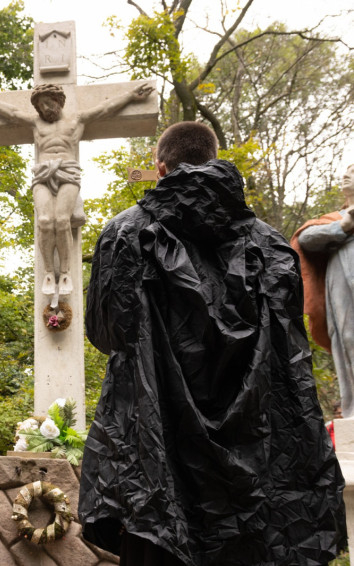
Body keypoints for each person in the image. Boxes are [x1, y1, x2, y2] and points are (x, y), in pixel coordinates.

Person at [79, 121, 347, 565]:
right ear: (214, 160)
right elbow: (288, 358)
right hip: (253, 465)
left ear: (160, 168)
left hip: (157, 456)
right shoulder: (269, 244)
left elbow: (106, 334)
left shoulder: (126, 233)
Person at [0, 82, 154, 296]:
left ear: (58, 100)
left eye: (48, 103)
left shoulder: (77, 119)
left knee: (61, 220)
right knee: (44, 221)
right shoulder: (36, 123)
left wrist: (131, 96)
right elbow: (12, 113)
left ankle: (65, 272)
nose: (45, 108)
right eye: (41, 106)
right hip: (43, 174)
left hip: (68, 172)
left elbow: (105, 109)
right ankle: (49, 272)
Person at [291, 163, 354, 417]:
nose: (346, 175)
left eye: (353, 172)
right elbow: (305, 239)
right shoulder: (336, 219)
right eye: (346, 172)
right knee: (347, 336)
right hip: (341, 281)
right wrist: (343, 226)